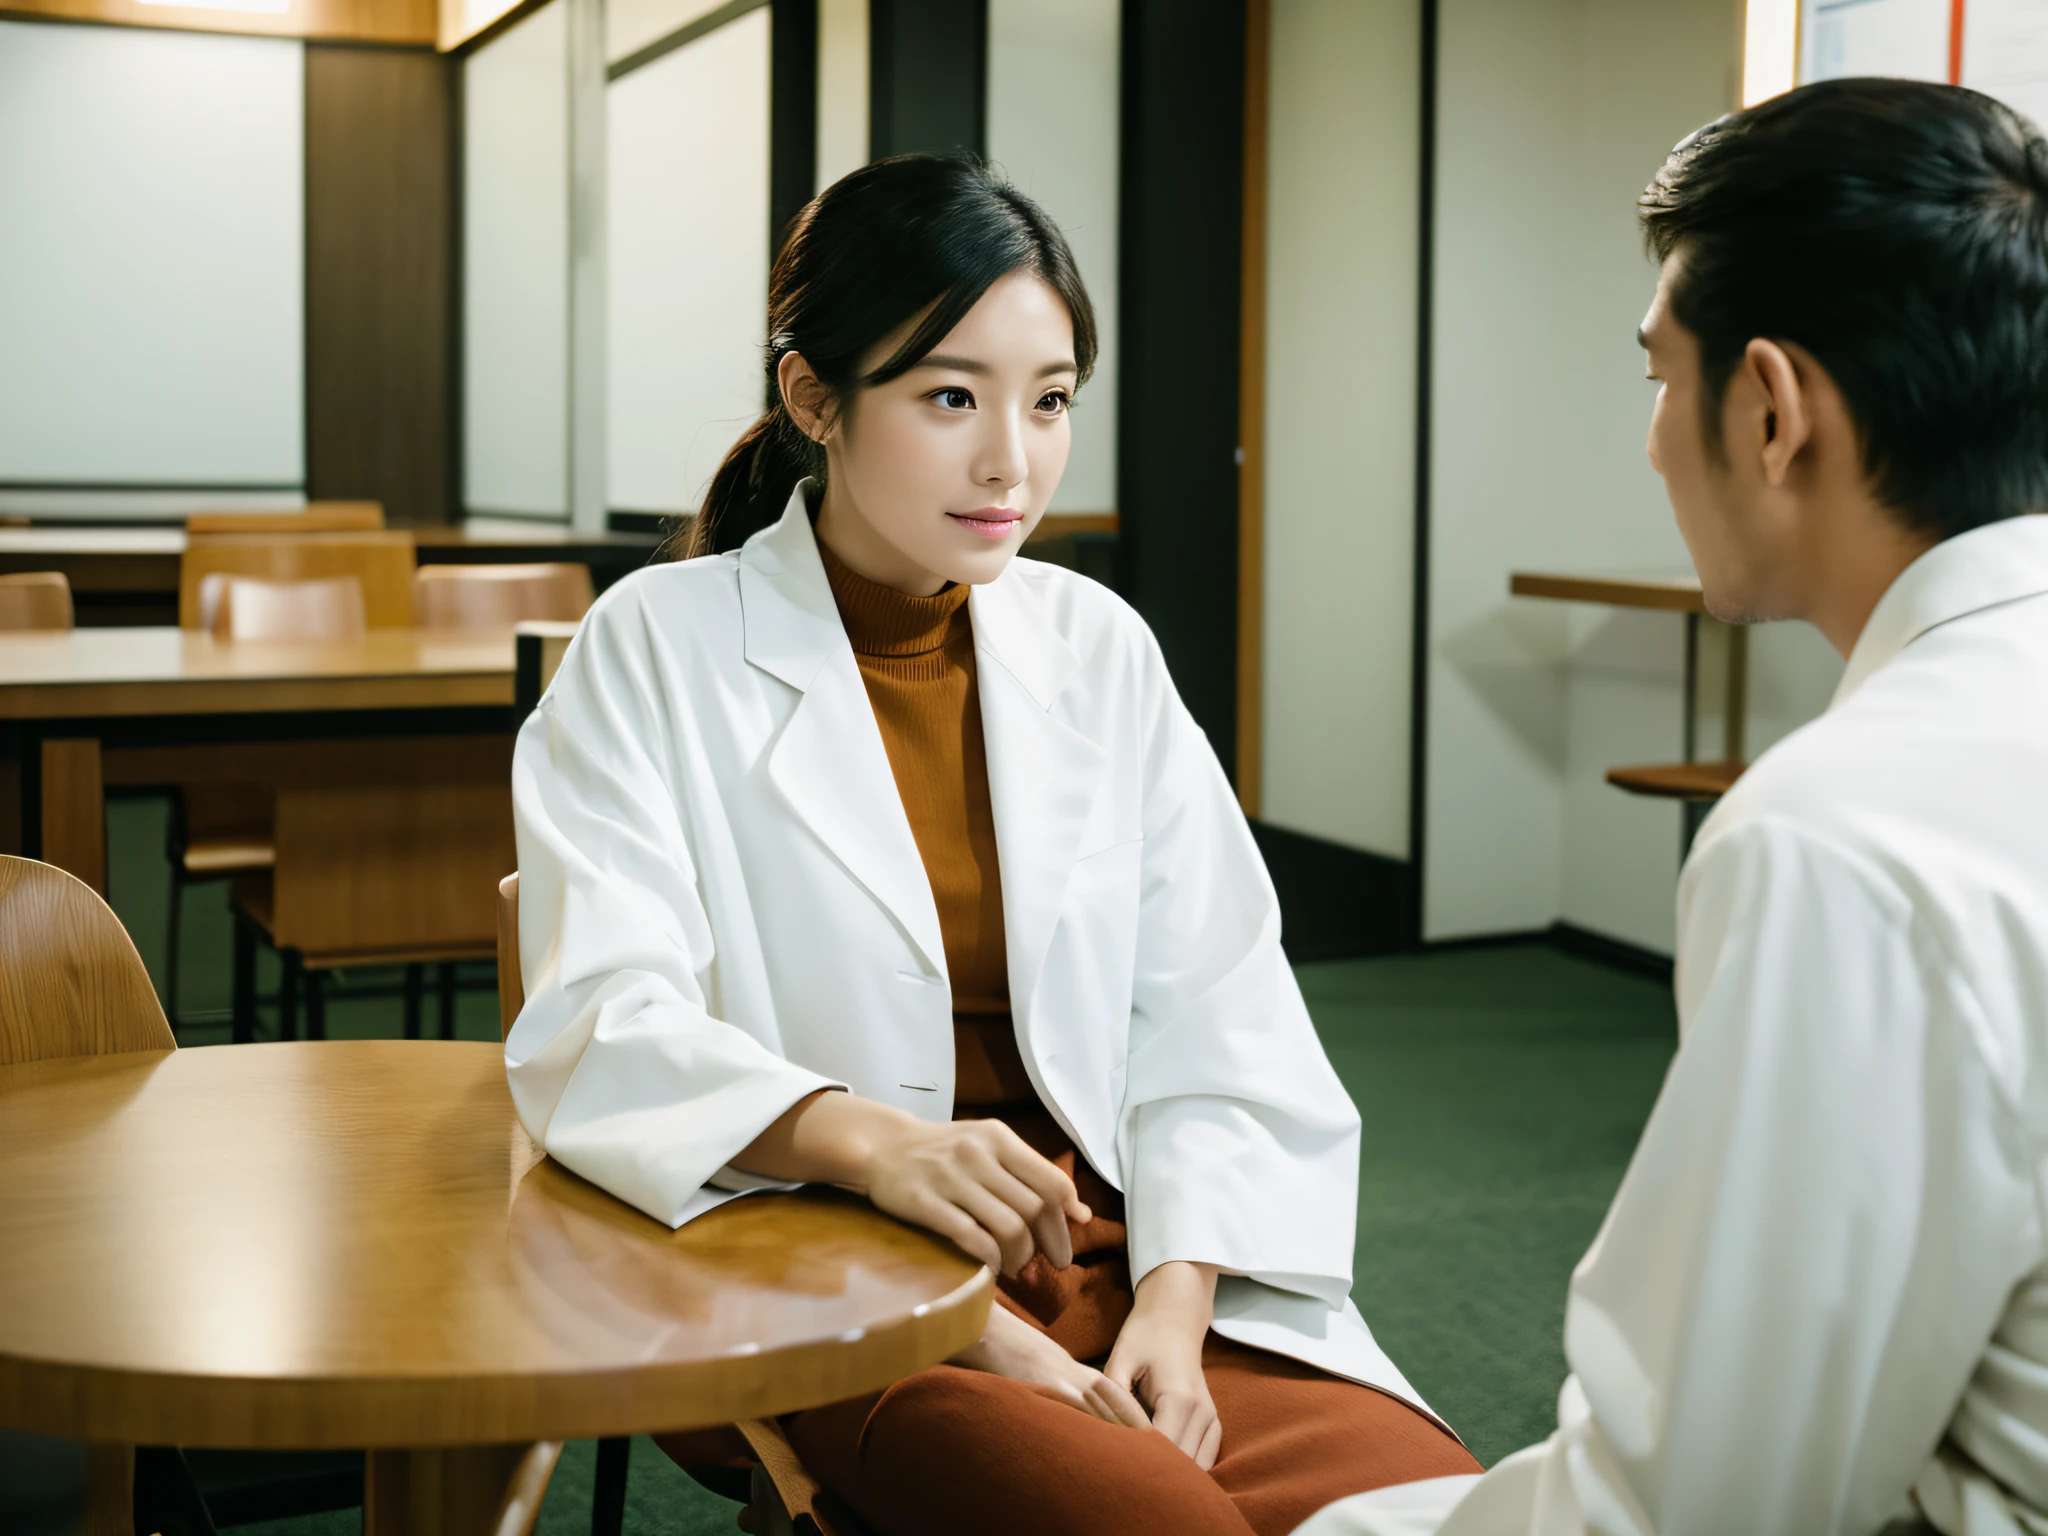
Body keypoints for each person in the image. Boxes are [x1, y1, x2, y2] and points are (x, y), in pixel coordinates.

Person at [505, 153, 1478, 1536]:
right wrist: (882, 1155)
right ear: (813, 399)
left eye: (1053, 399)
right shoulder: (654, 649)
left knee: (1454, 1516)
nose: (1011, 460)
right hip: (826, 1265)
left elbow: (1220, 1009)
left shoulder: (1095, 648)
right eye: (951, 396)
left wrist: (1179, 1304)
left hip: (1138, 1265)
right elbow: (602, 1023)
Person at [1298, 78, 2048, 1536]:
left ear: (1771, 409)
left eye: (1658, 375)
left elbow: (1704, 1504)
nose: (1651, 439)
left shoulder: (1841, 836)